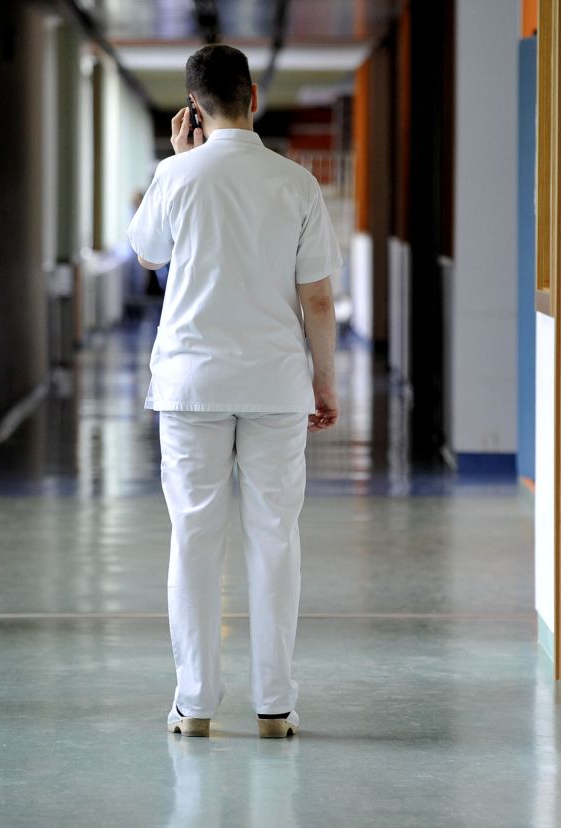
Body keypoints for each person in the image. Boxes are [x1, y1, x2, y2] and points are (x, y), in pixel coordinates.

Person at [127, 44, 342, 740]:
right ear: (253, 96)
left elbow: (148, 254)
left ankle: (194, 704)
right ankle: (274, 704)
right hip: (277, 383)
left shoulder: (174, 176)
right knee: (275, 537)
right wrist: (323, 382)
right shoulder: (296, 183)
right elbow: (318, 300)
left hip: (191, 383)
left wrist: (178, 157)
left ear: (192, 108)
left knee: (194, 538)